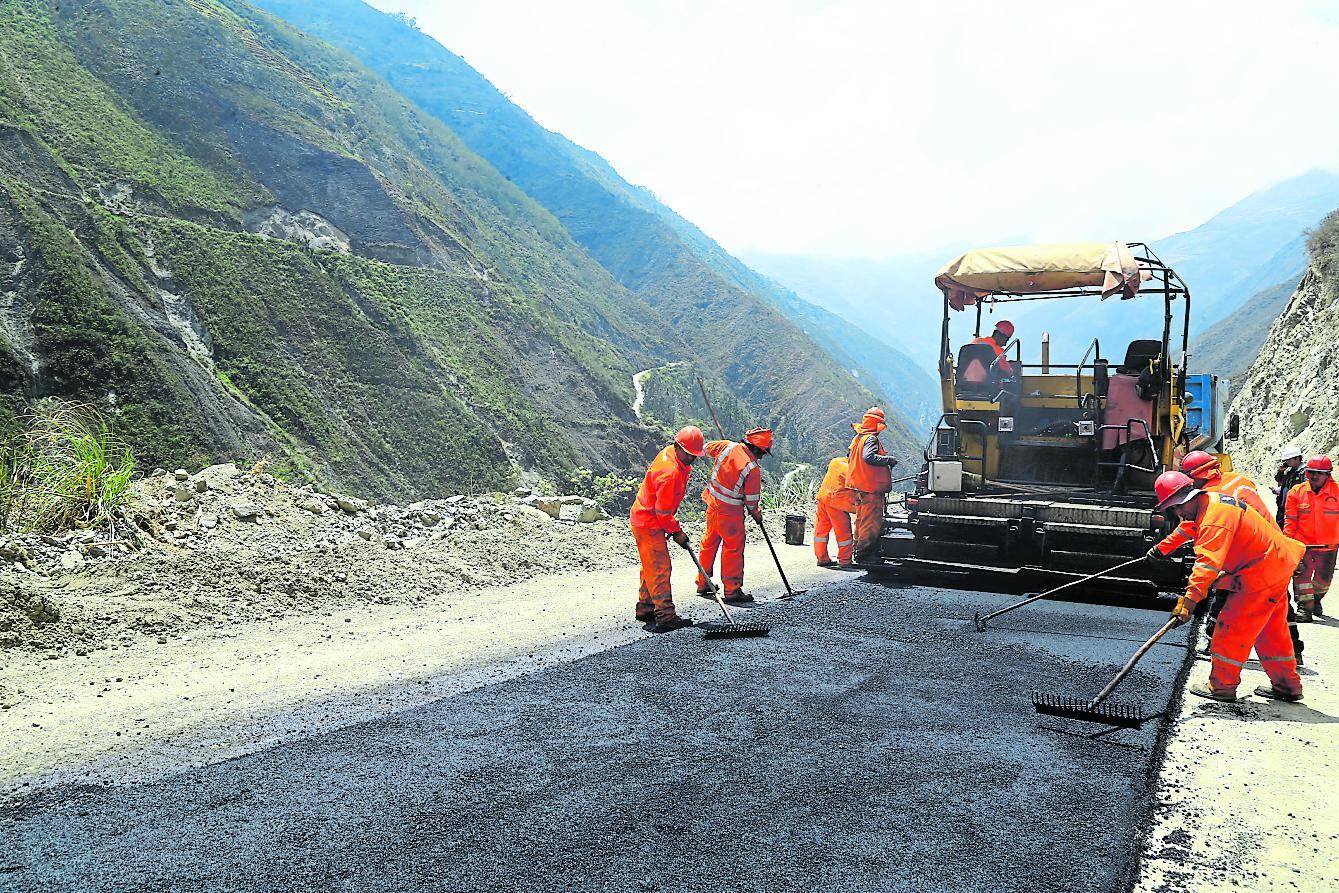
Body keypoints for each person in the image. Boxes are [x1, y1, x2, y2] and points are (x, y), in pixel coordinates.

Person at [1155, 471, 1305, 703]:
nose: (1178, 513)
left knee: (1230, 629)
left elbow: (1206, 564)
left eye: (1176, 507)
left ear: (1188, 498)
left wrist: (1188, 602)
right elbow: (1188, 530)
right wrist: (1161, 549)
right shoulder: (1212, 503)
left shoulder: (1213, 519)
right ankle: (1288, 686)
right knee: (1272, 633)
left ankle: (1221, 687)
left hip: (1260, 575)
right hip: (1276, 565)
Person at [629, 426, 707, 632]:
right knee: (660, 568)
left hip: (646, 517)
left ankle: (646, 607)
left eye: (695, 455)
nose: (693, 459)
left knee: (651, 565)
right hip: (649, 522)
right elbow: (662, 513)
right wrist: (677, 532)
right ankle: (665, 615)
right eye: (690, 455)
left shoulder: (671, 454)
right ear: (679, 447)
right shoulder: (669, 472)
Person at [696, 427, 772, 604]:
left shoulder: (726, 446)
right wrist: (757, 515)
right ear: (756, 449)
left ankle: (703, 582)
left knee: (708, 543)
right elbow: (752, 501)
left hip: (712, 505)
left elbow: (704, 449)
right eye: (762, 453)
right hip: (730, 514)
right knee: (733, 550)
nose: (761, 457)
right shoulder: (752, 468)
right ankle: (732, 591)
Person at [1284, 455, 1339, 621]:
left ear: (1328, 475)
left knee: (1324, 580)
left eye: (1319, 473)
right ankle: (1304, 609)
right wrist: (1289, 545)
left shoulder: (1337, 493)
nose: (1314, 476)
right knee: (1302, 578)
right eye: (1311, 472)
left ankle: (1316, 599)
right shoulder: (1296, 492)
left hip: (1328, 546)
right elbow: (1290, 521)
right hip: (1303, 545)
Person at [847, 407, 898, 562]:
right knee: (870, 523)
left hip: (858, 487)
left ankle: (858, 550)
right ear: (876, 424)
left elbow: (850, 458)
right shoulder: (870, 439)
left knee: (861, 521)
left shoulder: (858, 438)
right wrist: (889, 460)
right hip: (870, 489)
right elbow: (868, 457)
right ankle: (866, 555)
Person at [813, 456, 857, 567]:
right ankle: (845, 561)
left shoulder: (836, 461)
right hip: (836, 503)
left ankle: (822, 558)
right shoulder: (850, 470)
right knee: (843, 534)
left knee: (821, 532)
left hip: (823, 499)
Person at [1272, 445, 1305, 527]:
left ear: (1297, 458)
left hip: (1294, 509)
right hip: (1283, 507)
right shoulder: (1290, 471)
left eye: (1289, 460)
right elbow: (1278, 479)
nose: (1287, 462)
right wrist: (1281, 471)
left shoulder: (1304, 472)